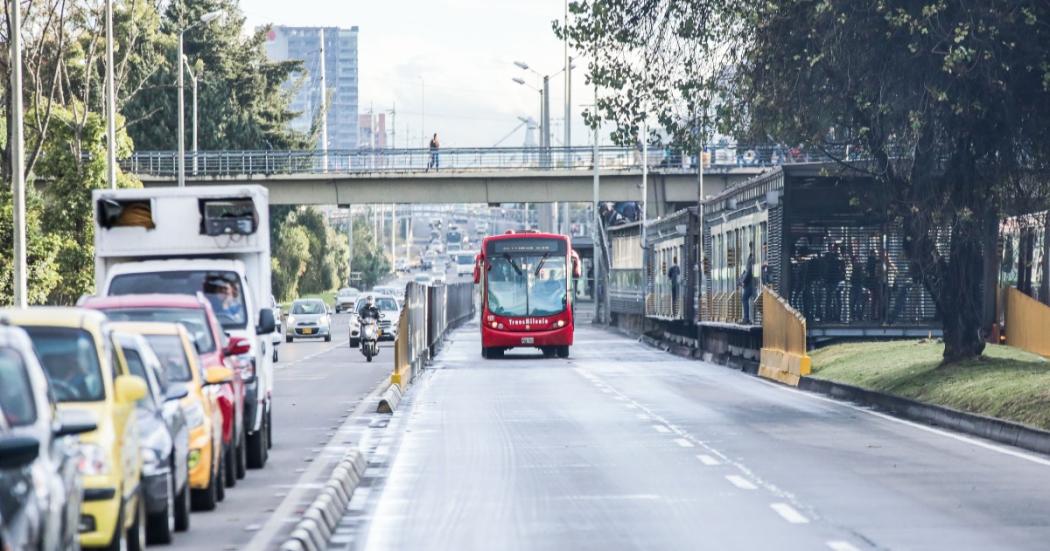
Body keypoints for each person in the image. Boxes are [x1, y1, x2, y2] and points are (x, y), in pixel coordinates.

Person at [739, 242, 755, 324]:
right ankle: (747, 318)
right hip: (750, 282)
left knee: (744, 298)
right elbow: (747, 270)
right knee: (745, 298)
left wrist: (743, 281)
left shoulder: (752, 257)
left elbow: (749, 271)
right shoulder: (751, 257)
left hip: (751, 283)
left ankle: (746, 318)